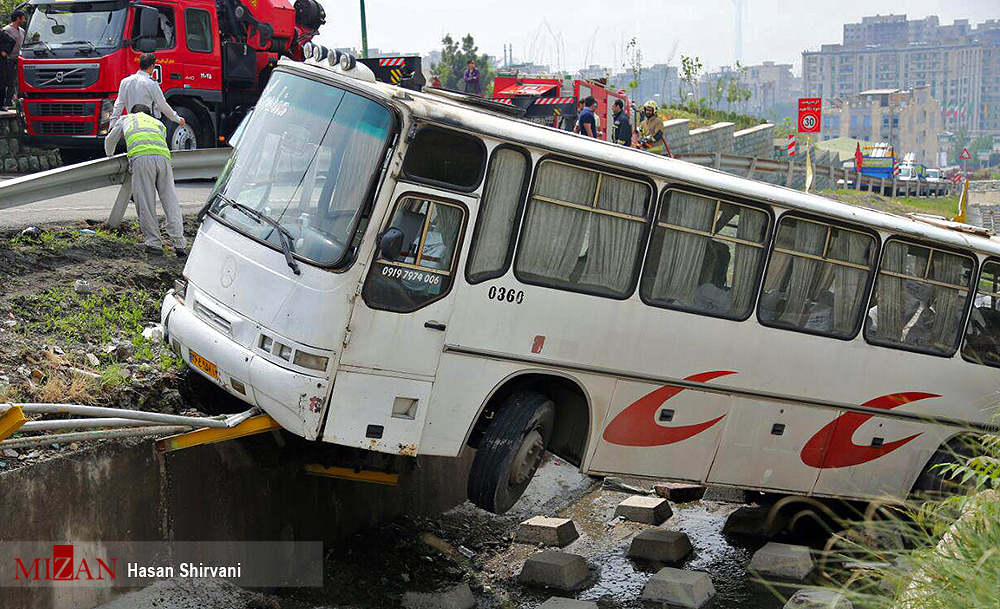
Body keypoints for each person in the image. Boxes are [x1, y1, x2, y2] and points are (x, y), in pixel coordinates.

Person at [104, 104, 187, 257]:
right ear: (149, 114)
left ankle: (154, 243)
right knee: (170, 201)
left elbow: (110, 140)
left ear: (132, 112)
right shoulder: (158, 123)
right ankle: (179, 243)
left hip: (142, 160)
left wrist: (110, 156)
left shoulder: (126, 118)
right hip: (164, 159)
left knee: (146, 203)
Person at [110, 53, 185, 129]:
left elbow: (119, 105)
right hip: (149, 124)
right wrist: (178, 119)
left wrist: (112, 125)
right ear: (152, 66)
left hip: (131, 124)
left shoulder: (125, 81)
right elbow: (162, 105)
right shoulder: (151, 83)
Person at [1, 10, 26, 110]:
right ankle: (7, 102)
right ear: (18, 18)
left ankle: (16, 101)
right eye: (22, 17)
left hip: (19, 58)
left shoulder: (22, 31)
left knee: (19, 81)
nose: (24, 20)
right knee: (9, 82)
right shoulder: (6, 30)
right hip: (9, 59)